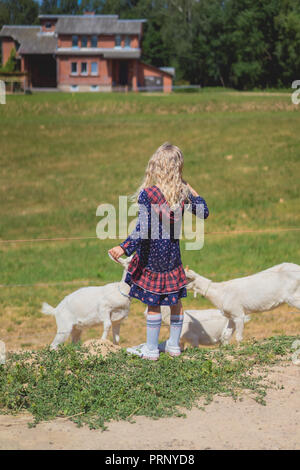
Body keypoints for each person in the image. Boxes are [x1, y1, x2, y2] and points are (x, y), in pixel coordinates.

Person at [109, 142, 209, 360]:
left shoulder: (149, 194)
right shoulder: (182, 194)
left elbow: (143, 229)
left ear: (156, 168)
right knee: (175, 302)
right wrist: (191, 189)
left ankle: (152, 349)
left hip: (151, 259)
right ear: (178, 169)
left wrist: (124, 247)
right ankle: (173, 346)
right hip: (173, 259)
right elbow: (204, 212)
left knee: (153, 304)